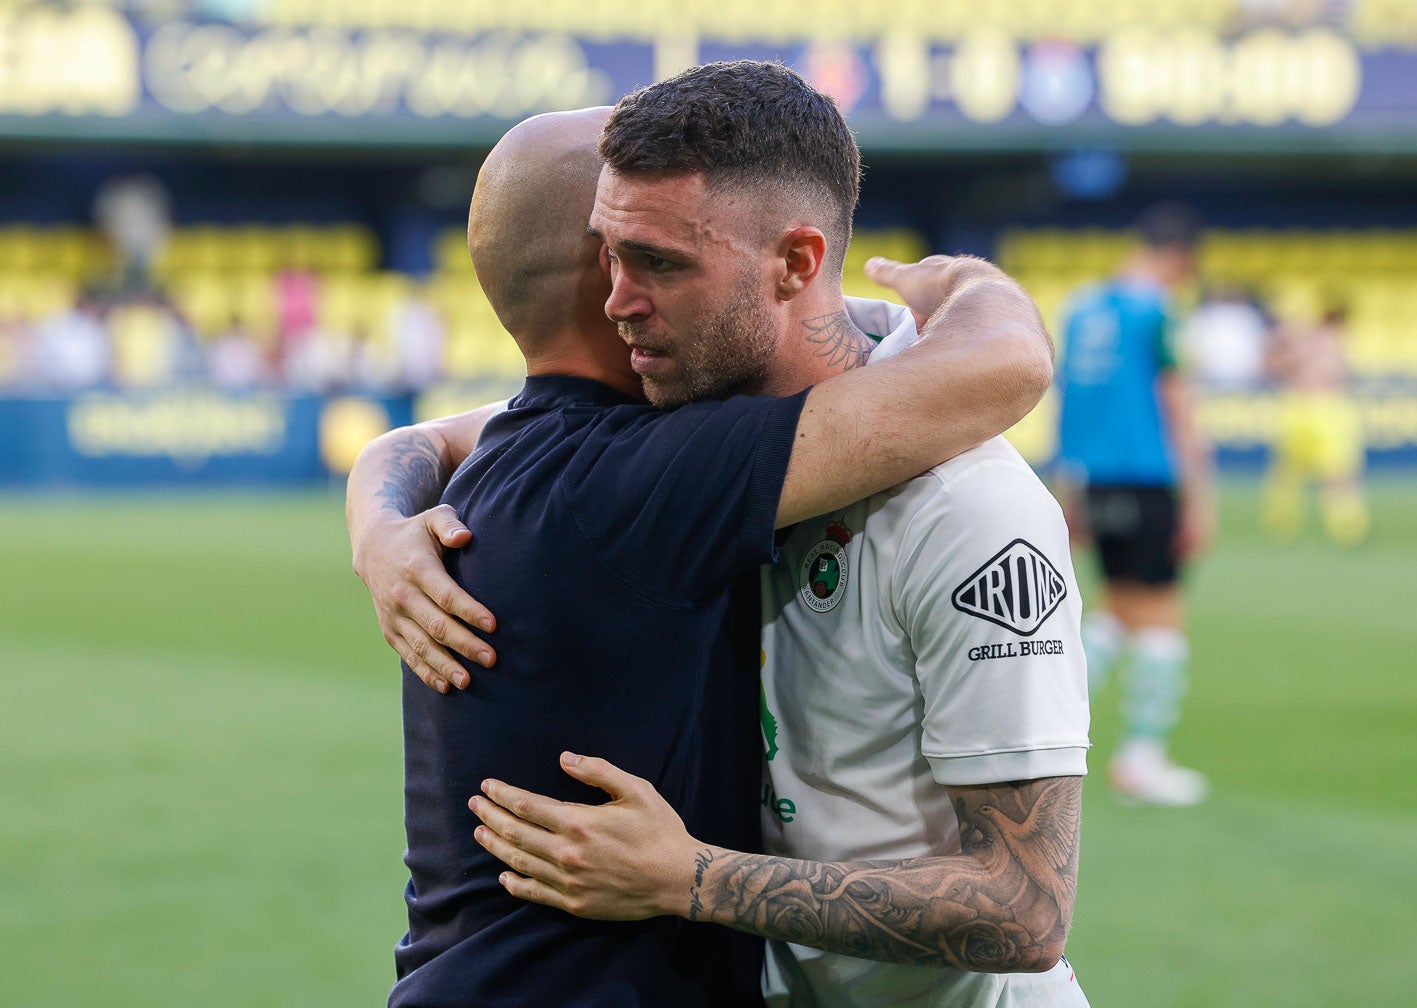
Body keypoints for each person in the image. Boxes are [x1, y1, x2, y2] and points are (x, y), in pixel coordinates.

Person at [347, 70, 1054, 1008]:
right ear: (597, 274)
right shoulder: (641, 476)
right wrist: (971, 280)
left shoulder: (530, 462)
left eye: (662, 258)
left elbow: (426, 437)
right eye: (623, 252)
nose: (628, 293)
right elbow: (1004, 361)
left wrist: (378, 515)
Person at [1054, 202, 1216, 807]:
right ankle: (1142, 759)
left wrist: (1070, 490)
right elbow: (1177, 404)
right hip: (1149, 478)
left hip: (1095, 480)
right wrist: (1199, 495)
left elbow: (1069, 402)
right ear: (1180, 256)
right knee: (1160, 619)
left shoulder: (1082, 310)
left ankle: (1041, 732)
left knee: (1116, 610)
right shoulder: (1158, 311)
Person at [1261, 303, 1370, 545]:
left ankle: (1284, 525)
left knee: (1294, 470)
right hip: (1324, 408)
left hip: (1301, 405)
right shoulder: (1323, 341)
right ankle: (1346, 526)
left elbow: (1274, 365)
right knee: (1329, 470)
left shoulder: (1307, 339)